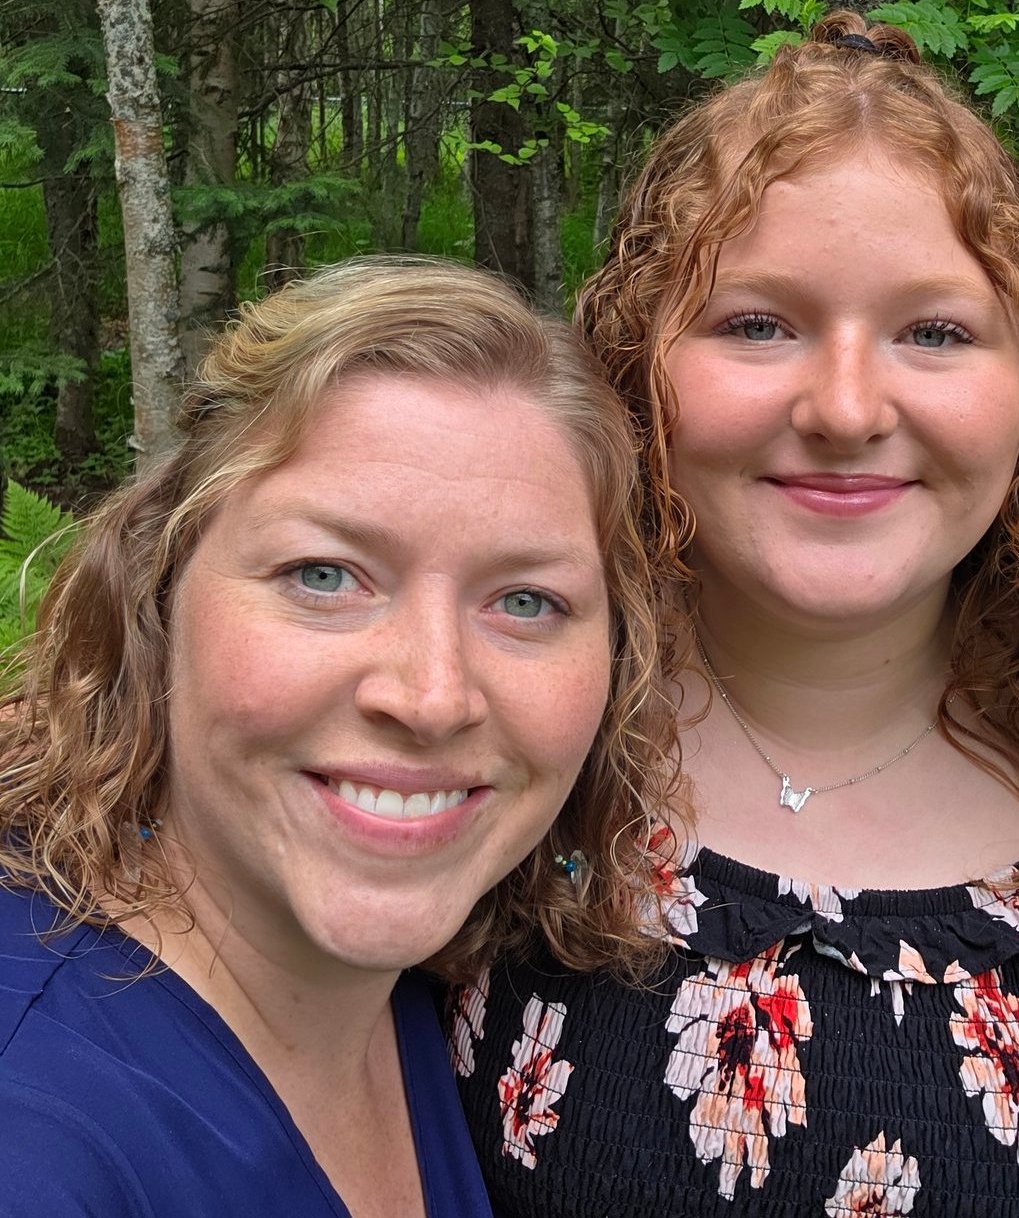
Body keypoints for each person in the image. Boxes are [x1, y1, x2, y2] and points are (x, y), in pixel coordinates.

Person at [457, 13, 1019, 1216]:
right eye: (757, 324)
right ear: (633, 364)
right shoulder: (497, 732)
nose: (844, 407)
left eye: (935, 332)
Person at [0, 257, 675, 1217]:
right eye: (324, 576)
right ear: (156, 594)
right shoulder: (38, 1137)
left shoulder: (432, 991)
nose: (433, 696)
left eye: (525, 601)